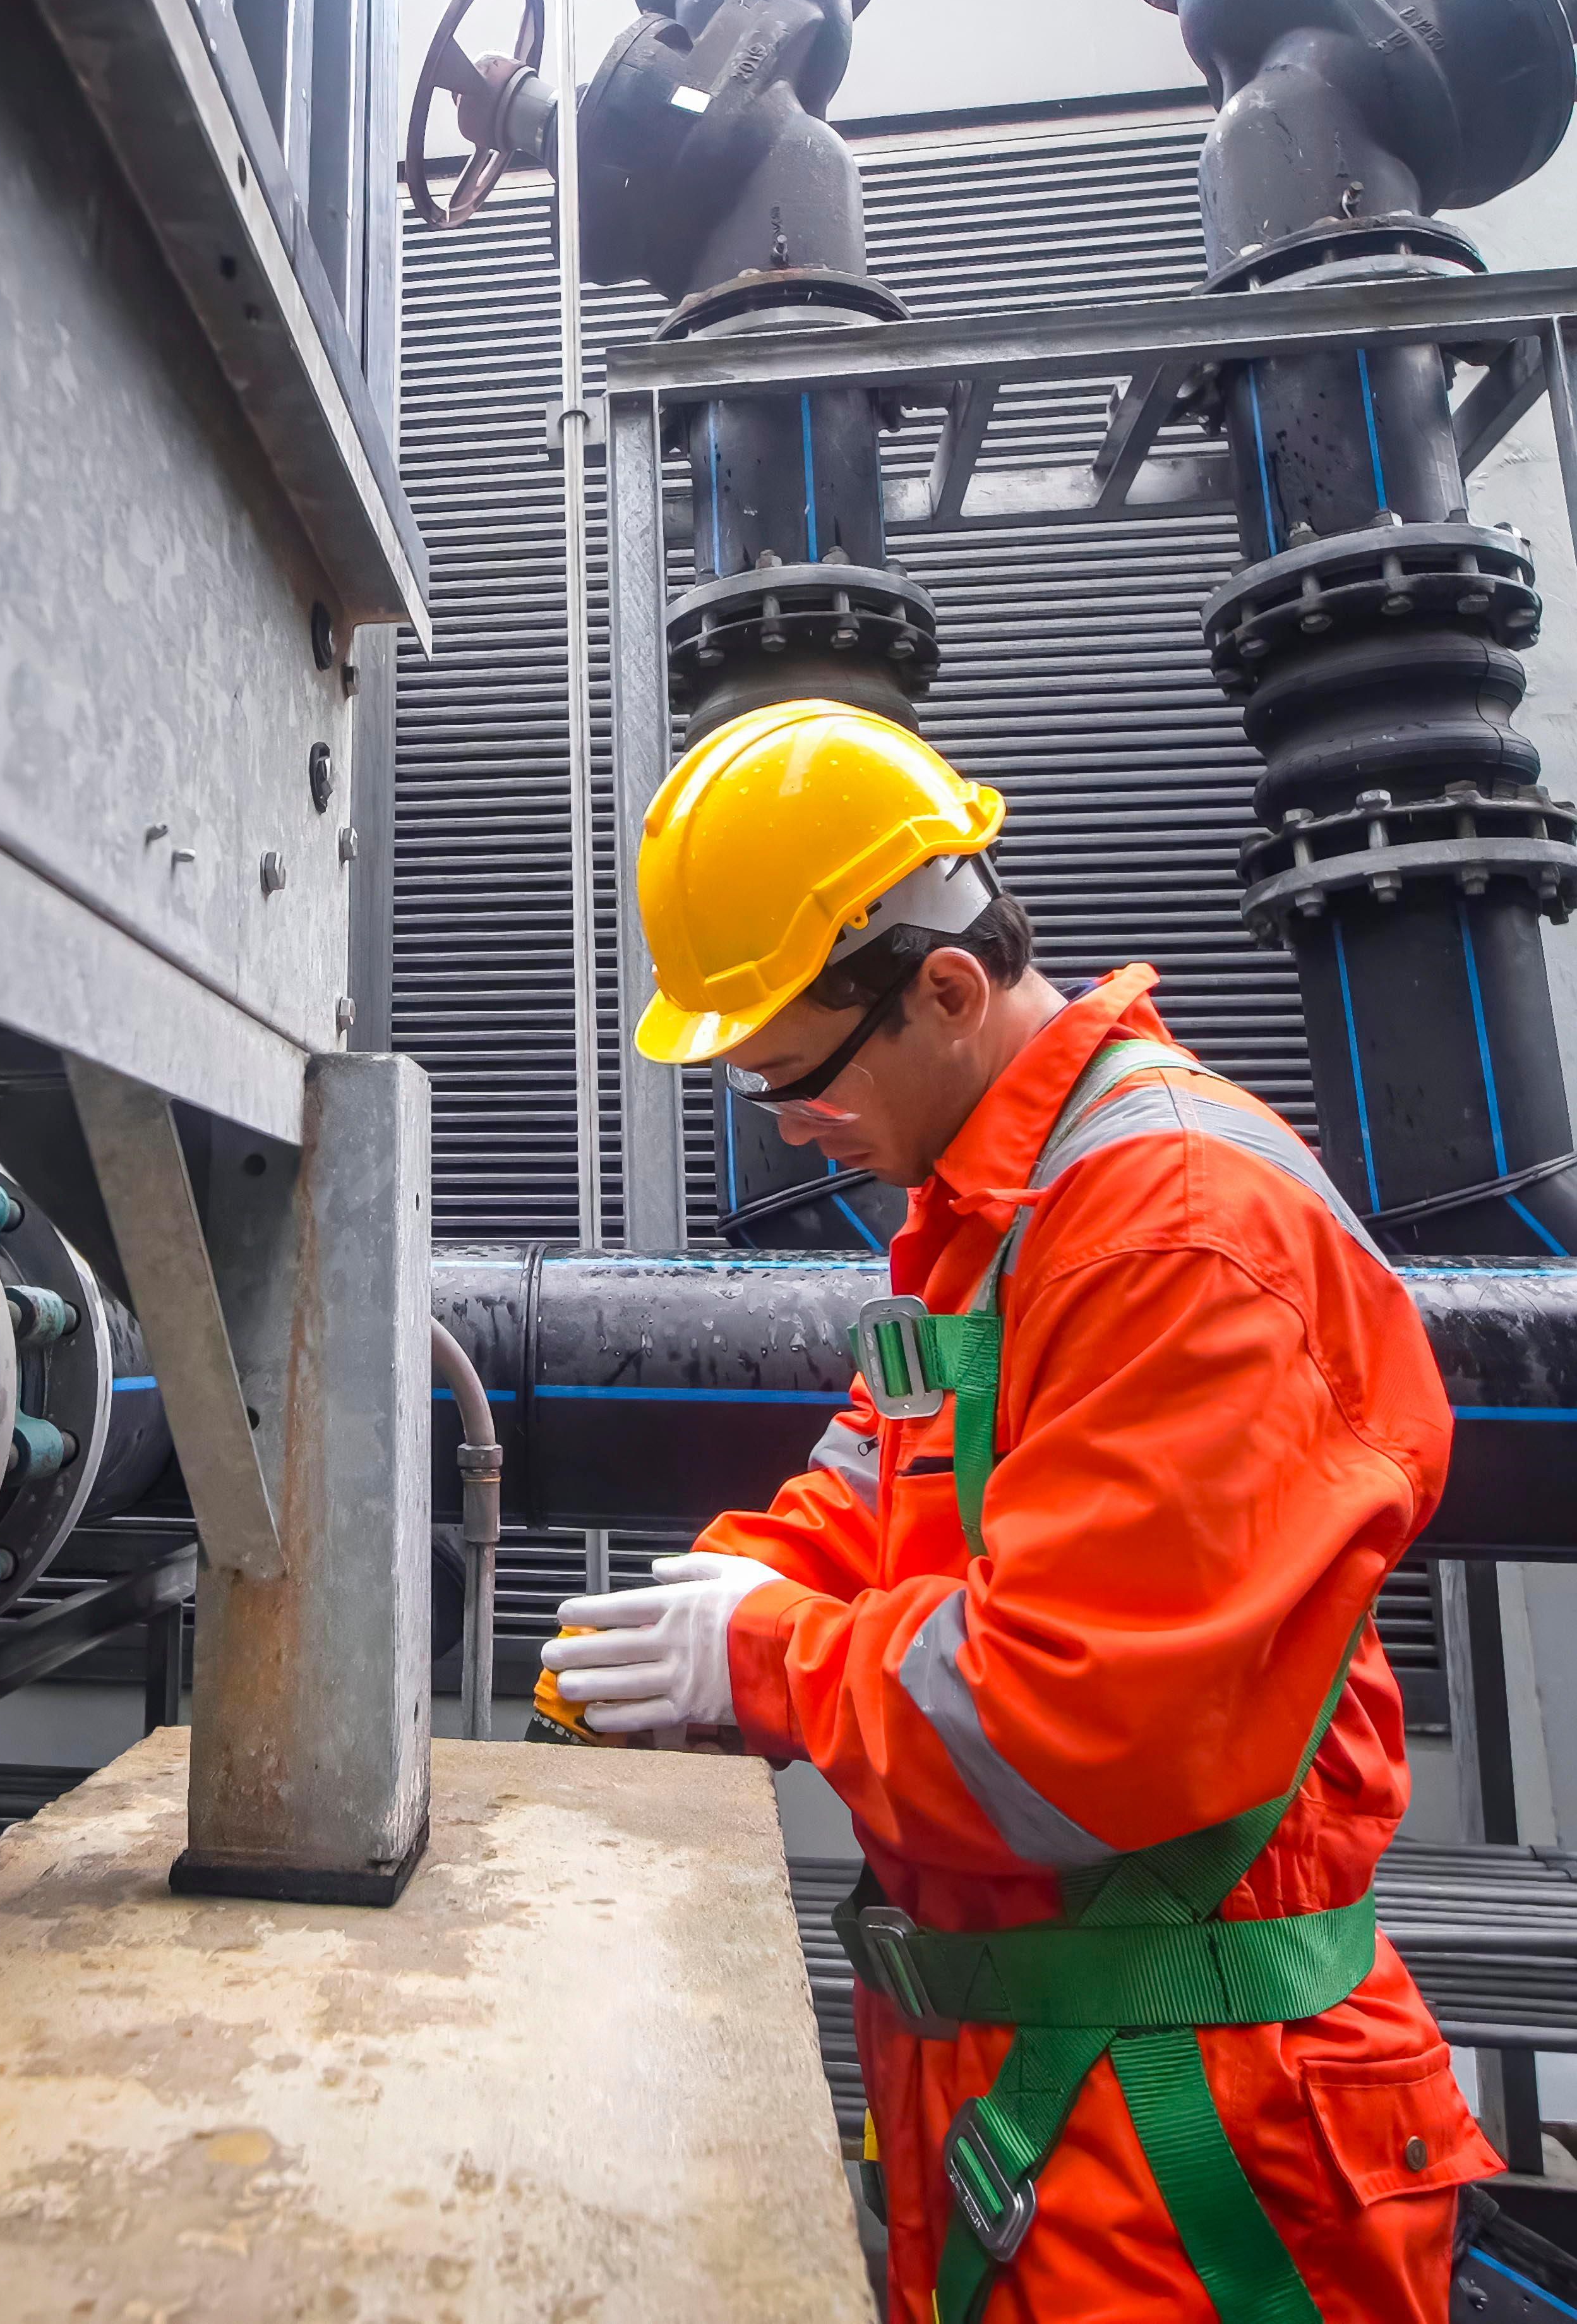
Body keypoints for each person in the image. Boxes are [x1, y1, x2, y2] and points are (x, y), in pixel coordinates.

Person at [538, 697, 1496, 2324]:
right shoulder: (1000, 1220)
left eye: (795, 1074)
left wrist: (762, 1663)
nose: (787, 1126)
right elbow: (873, 1483)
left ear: (949, 990)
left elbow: (1074, 1722)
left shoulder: (1172, 1234)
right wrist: (709, 1600)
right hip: (1055, 2099)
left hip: (1196, 2144)